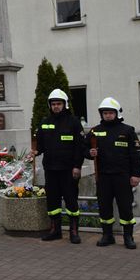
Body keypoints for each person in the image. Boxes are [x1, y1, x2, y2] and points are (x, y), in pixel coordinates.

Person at [85, 97, 140, 249]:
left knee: (125, 207)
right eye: (105, 113)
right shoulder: (95, 131)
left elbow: (136, 154)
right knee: (104, 207)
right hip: (103, 177)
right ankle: (107, 235)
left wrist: (136, 175)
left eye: (111, 112)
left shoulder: (127, 131)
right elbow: (84, 150)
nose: (108, 115)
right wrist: (89, 152)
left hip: (122, 177)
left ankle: (128, 237)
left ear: (117, 113)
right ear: (101, 114)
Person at [33, 89, 85, 243]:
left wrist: (77, 166)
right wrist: (35, 152)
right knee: (53, 202)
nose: (56, 106)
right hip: (51, 169)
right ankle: (55, 230)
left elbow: (80, 148)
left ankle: (74, 232)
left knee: (71, 201)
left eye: (59, 104)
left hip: (69, 170)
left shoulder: (74, 122)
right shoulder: (45, 123)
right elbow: (41, 146)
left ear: (65, 105)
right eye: (53, 104)